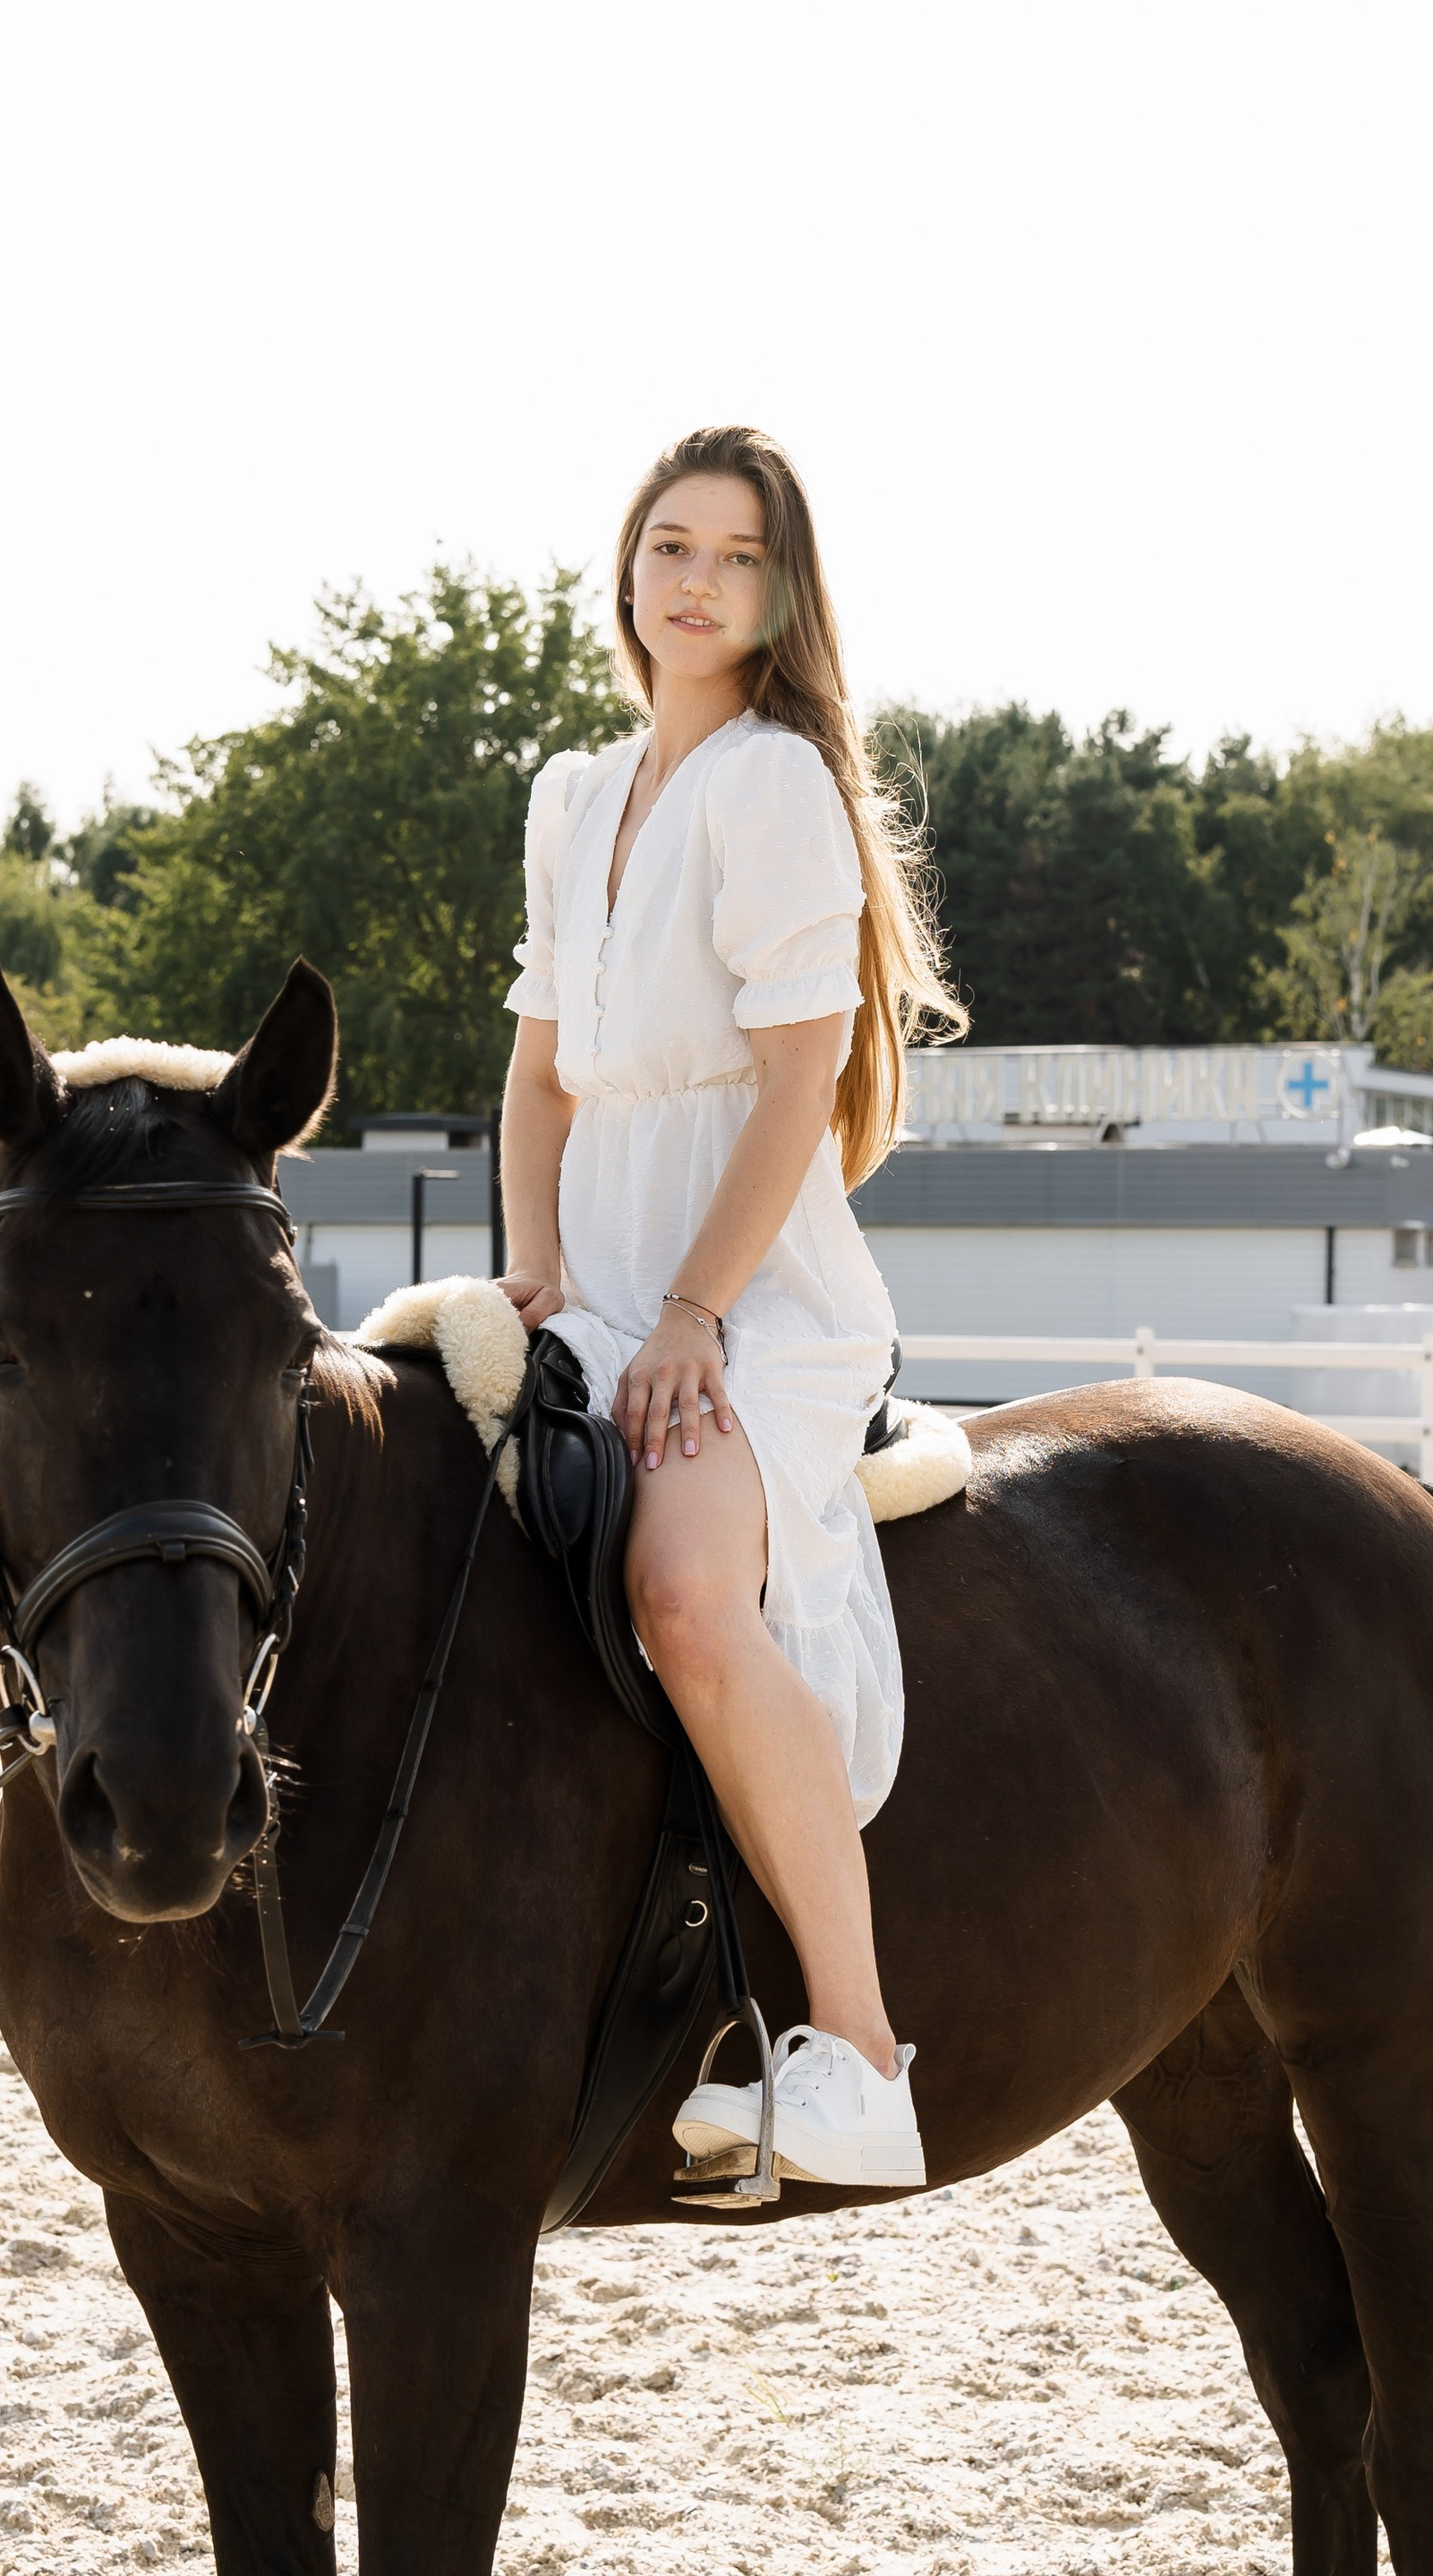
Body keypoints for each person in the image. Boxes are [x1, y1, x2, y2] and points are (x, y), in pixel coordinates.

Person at [497, 424, 961, 2189]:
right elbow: (538, 1075)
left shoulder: (772, 784)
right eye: (669, 545)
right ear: (627, 569)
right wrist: (533, 1269)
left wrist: (692, 1311)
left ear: (781, 596)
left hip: (755, 1296)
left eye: (737, 556)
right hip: (594, 1279)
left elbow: (795, 1086)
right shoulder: (571, 795)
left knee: (685, 1589)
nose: (694, 580)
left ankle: (856, 2055)